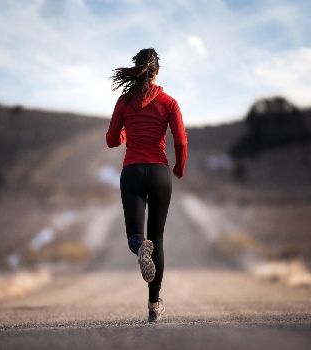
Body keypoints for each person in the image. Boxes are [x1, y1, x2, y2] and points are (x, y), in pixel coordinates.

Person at [106, 48, 187, 323]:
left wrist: (127, 132)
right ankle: (154, 305)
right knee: (159, 238)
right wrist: (179, 167)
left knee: (136, 235)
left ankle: (140, 247)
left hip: (132, 172)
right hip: (159, 173)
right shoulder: (169, 102)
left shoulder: (124, 101)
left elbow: (111, 140)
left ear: (137, 70)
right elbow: (181, 141)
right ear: (157, 72)